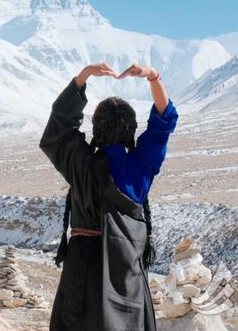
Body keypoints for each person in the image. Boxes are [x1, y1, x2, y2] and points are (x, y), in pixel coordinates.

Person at [40, 62, 178, 331]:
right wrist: (153, 77)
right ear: (131, 129)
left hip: (81, 278)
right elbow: (164, 122)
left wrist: (83, 76)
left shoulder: (80, 163)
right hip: (127, 276)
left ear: (97, 128)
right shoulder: (140, 166)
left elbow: (57, 132)